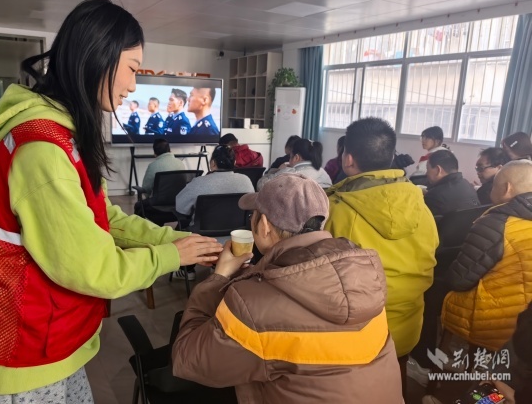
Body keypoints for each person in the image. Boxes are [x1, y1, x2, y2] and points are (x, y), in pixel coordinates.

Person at [0, 0, 223, 403]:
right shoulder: (43, 151)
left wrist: (177, 241)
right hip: (22, 347)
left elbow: (103, 218)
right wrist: (170, 256)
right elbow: (96, 269)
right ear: (98, 57)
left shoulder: (62, 135)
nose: (133, 85)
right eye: (132, 68)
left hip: (49, 336)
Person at [172, 174, 403, 404]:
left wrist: (219, 278)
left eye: (253, 216)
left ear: (264, 226)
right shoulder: (366, 278)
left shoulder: (251, 306)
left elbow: (187, 358)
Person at [324, 117, 438, 368]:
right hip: (408, 331)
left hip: (358, 337)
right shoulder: (421, 206)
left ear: (348, 159)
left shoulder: (336, 211)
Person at [442, 160, 532, 352]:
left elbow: (459, 280)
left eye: (493, 186)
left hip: (494, 321)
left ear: (506, 189)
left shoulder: (496, 223)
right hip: (525, 323)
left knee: (433, 289)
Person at [174, 145, 254, 280]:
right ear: (234, 162)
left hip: (204, 238)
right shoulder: (245, 180)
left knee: (180, 226)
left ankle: (187, 271)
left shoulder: (199, 182)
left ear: (213, 163)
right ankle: (218, 265)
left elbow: (180, 207)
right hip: (236, 239)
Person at [257, 138, 331, 190]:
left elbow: (261, 186)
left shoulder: (288, 173)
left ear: (296, 157)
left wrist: (277, 170)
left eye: (290, 156)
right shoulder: (324, 173)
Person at [424, 149, 480, 216]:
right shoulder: (468, 185)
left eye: (427, 169)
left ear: (438, 170)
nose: (426, 173)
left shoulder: (433, 196)